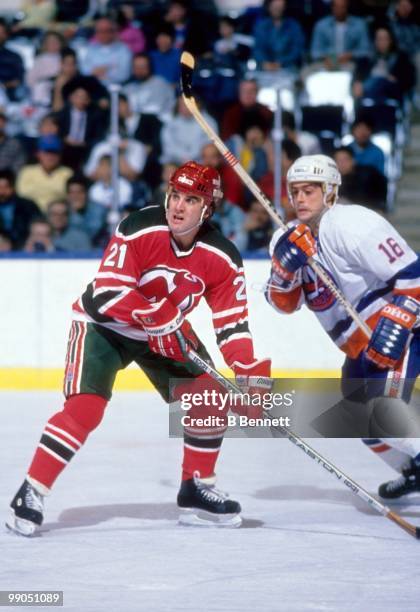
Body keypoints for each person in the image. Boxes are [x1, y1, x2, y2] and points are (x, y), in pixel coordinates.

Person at [6, 160, 271, 536]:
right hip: (104, 327)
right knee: (85, 409)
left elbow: (232, 323)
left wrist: (245, 365)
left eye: (191, 200)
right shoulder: (139, 226)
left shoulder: (224, 258)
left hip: (161, 333)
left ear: (208, 208)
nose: (178, 206)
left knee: (209, 396)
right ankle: (30, 491)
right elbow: (107, 292)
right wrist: (153, 313)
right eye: (175, 195)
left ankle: (196, 488)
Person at [264, 154, 420, 501]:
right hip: (358, 346)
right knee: (358, 419)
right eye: (295, 191)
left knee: (384, 412)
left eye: (310, 190)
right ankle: (414, 470)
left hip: (399, 330)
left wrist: (399, 322)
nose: (301, 198)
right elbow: (281, 304)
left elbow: (413, 275)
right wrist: (284, 270)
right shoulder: (287, 238)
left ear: (330, 191)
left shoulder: (354, 224)